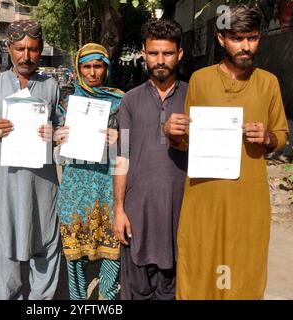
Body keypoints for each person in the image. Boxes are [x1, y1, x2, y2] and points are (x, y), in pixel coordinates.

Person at [164, 5, 289, 299]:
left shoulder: (268, 83)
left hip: (248, 203)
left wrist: (267, 137)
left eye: (253, 38)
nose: (246, 46)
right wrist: (173, 133)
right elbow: (186, 139)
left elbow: (281, 135)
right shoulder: (200, 80)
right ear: (221, 39)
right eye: (238, 38)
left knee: (243, 276)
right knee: (199, 272)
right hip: (204, 199)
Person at [0, 19, 61, 300]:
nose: (27, 56)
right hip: (4, 185)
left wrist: (55, 133)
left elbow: (62, 129)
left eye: (33, 49)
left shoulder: (51, 86)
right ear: (9, 48)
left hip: (42, 185)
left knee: (45, 244)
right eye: (20, 48)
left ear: (41, 50)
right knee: (4, 251)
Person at [113, 19, 188, 300]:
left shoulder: (196, 96)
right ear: (144, 54)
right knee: (136, 293)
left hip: (179, 216)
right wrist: (118, 210)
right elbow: (120, 156)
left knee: (172, 292)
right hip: (137, 216)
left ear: (179, 54)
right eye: (153, 53)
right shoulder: (129, 101)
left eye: (167, 53)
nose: (160, 60)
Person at [53, 43, 124, 300]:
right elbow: (55, 148)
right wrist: (58, 138)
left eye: (98, 66)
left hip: (107, 184)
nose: (93, 73)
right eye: (87, 67)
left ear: (107, 68)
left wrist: (120, 137)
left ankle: (107, 298)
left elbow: (132, 145)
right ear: (78, 69)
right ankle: (78, 300)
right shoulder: (66, 102)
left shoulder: (122, 101)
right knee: (75, 254)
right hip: (75, 185)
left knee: (111, 249)